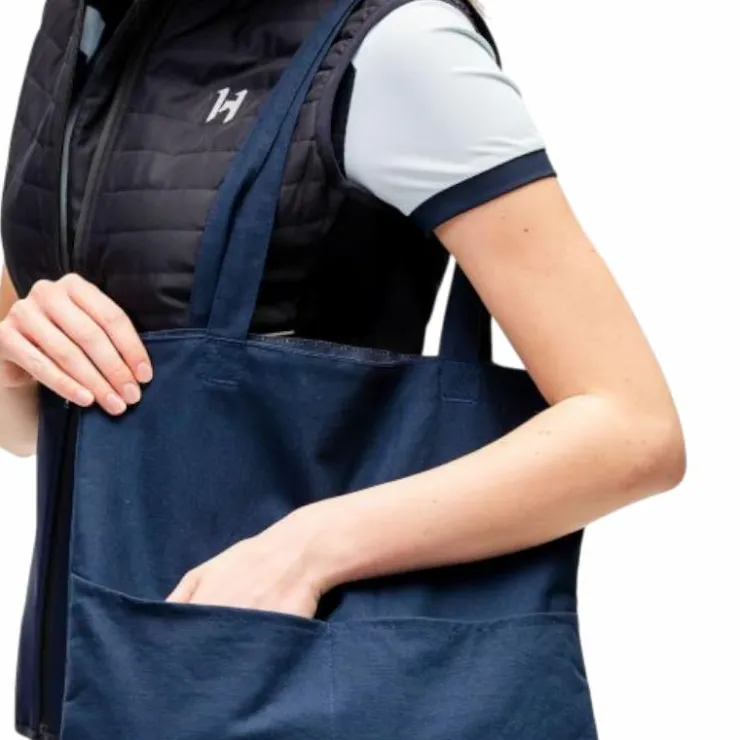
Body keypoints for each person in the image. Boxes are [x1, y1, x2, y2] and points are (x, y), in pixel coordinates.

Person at [0, 0, 687, 738]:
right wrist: (14, 360)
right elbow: (37, 428)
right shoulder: (84, 28)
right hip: (105, 694)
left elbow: (633, 430)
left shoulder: (398, 46)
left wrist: (308, 549)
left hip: (298, 683)